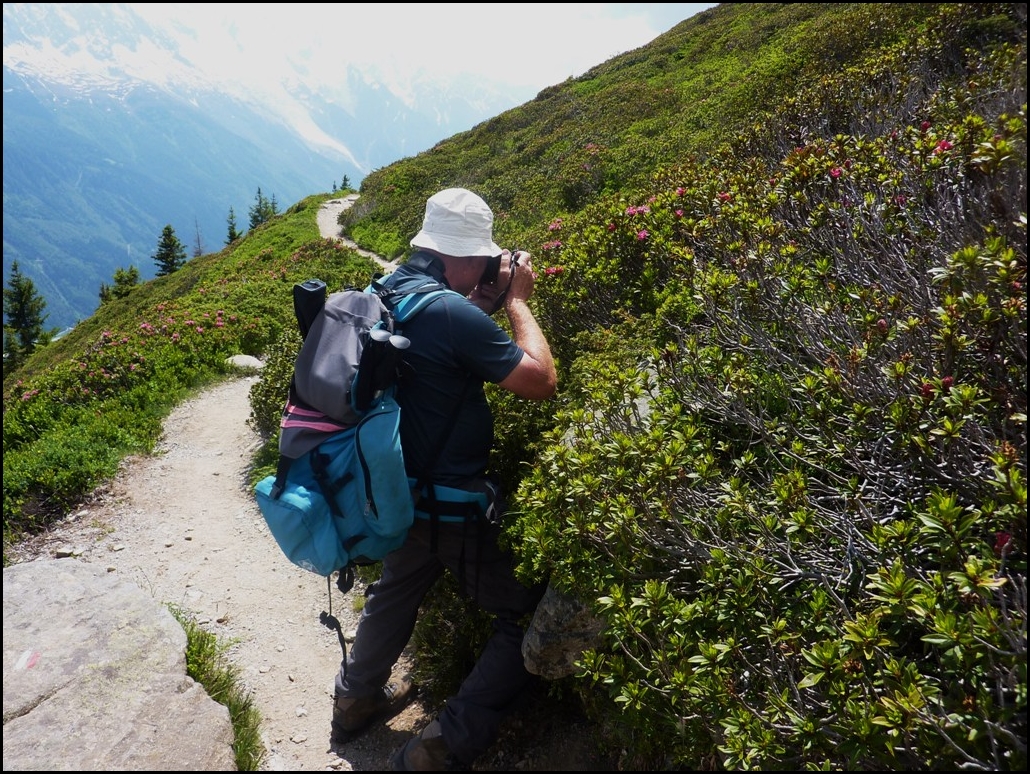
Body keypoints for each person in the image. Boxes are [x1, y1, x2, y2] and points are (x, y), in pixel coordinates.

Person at [330, 187, 558, 770]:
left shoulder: (383, 293)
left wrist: (475, 302)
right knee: (522, 614)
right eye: (483, 258)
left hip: (393, 492)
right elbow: (538, 380)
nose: (489, 267)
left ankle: (354, 702)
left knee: (398, 586)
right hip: (452, 503)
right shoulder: (451, 314)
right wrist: (518, 304)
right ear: (465, 256)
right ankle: (443, 746)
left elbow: (432, 349)